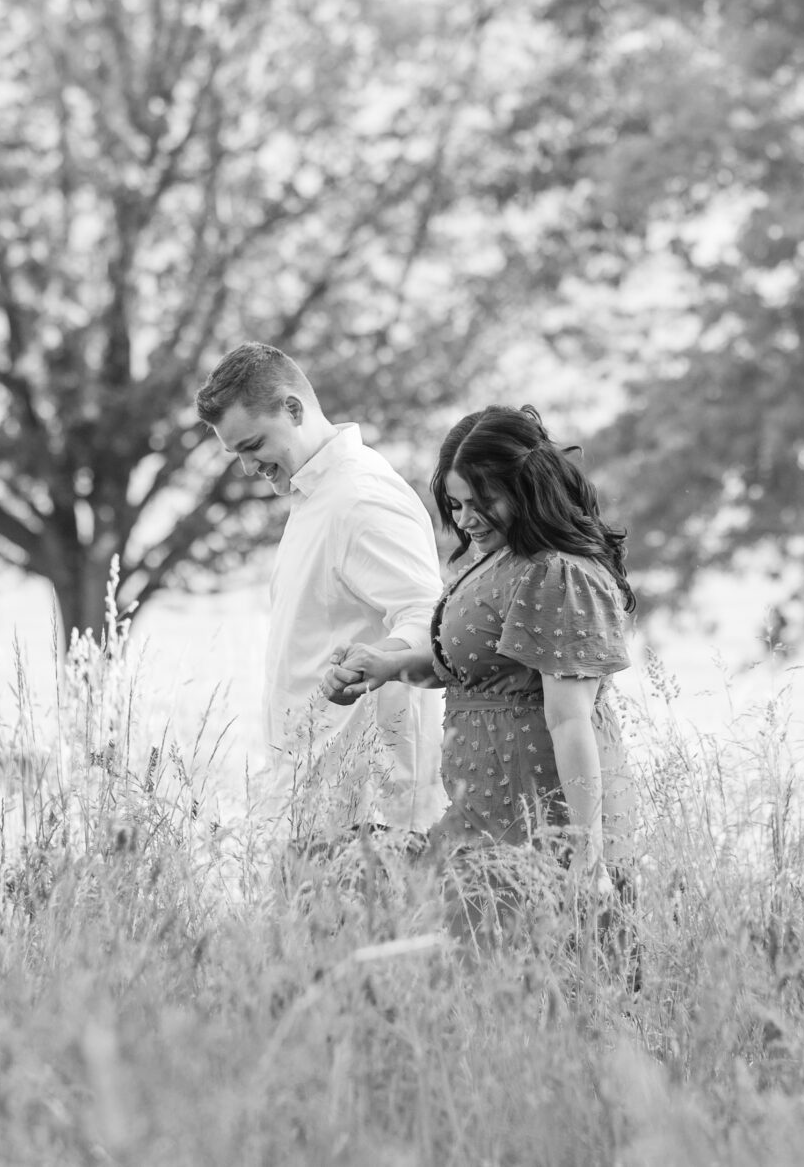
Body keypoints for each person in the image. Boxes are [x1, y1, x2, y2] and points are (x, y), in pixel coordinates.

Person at [323, 405, 634, 875]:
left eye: (479, 503)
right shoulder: (498, 562)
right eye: (455, 505)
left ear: (526, 490)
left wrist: (588, 862)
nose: (465, 520)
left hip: (543, 826)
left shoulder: (558, 574)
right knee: (326, 866)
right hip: (480, 817)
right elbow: (468, 669)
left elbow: (571, 720)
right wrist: (387, 666)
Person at [195, 342, 445, 840]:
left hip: (369, 815)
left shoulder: (361, 497)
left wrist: (379, 660)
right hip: (316, 805)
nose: (248, 468)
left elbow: (428, 618)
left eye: (252, 447)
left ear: (293, 408)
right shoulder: (316, 498)